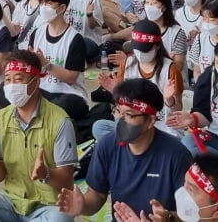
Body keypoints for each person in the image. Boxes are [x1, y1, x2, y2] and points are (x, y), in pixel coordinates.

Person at [0, 50, 77, 222]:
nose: (11, 85)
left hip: (47, 206)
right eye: (8, 79)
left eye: (18, 79)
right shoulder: (2, 117)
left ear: (36, 82)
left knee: (62, 218)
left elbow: (67, 180)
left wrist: (46, 174)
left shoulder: (60, 121)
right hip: (13, 202)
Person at [57, 79, 191, 221]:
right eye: (118, 111)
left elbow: (192, 214)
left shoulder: (177, 155)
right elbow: (97, 195)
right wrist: (83, 204)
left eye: (130, 115)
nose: (121, 120)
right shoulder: (107, 146)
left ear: (151, 120)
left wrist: (168, 218)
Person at [20, 0, 88, 120]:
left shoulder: (75, 39)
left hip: (68, 93)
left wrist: (45, 63)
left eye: (49, 3)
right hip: (42, 90)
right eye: (42, 3)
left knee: (63, 104)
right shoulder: (37, 33)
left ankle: (41, 114)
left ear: (62, 8)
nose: (43, 7)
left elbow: (70, 78)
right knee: (5, 90)